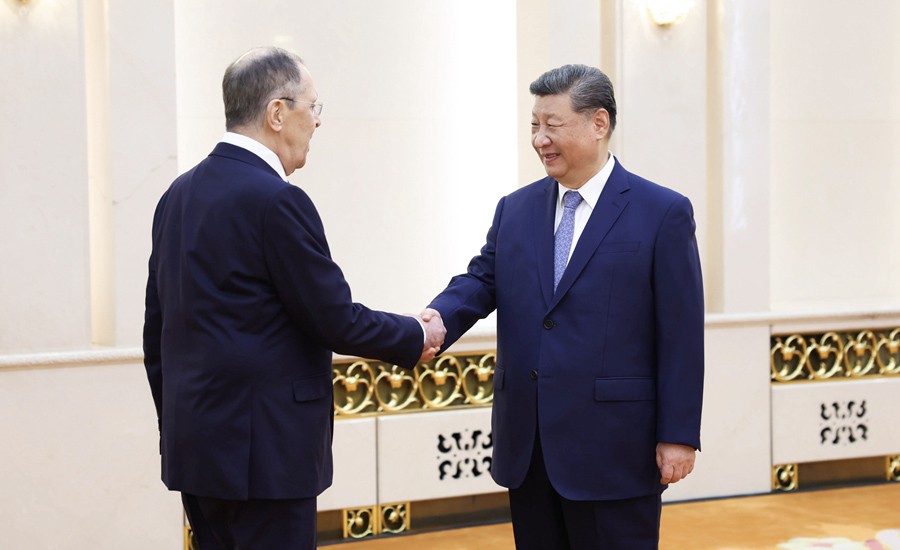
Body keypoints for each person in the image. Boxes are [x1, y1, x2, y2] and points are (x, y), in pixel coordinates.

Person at [142, 47, 445, 549]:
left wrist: (177, 426)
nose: (318, 121)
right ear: (277, 113)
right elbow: (334, 318)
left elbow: (157, 334)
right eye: (313, 106)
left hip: (195, 452)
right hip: (265, 460)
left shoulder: (177, 195)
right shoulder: (276, 199)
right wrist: (416, 334)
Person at [423, 64, 704, 549]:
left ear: (599, 123)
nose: (539, 139)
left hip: (616, 450)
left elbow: (681, 334)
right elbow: (481, 279)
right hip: (529, 449)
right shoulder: (515, 209)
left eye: (552, 125)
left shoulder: (662, 212)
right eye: (534, 125)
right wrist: (434, 320)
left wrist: (678, 434)